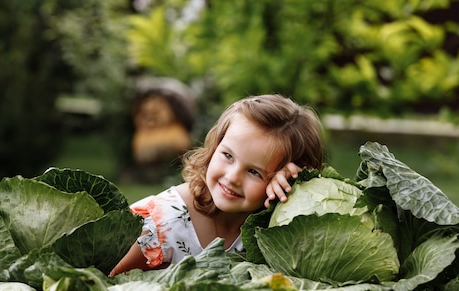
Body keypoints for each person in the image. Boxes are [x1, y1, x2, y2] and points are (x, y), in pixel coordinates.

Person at [109, 94, 323, 276]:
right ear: (215, 147)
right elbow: (107, 278)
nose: (232, 177)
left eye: (253, 172)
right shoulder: (162, 223)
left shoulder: (276, 222)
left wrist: (297, 189)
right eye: (228, 155)